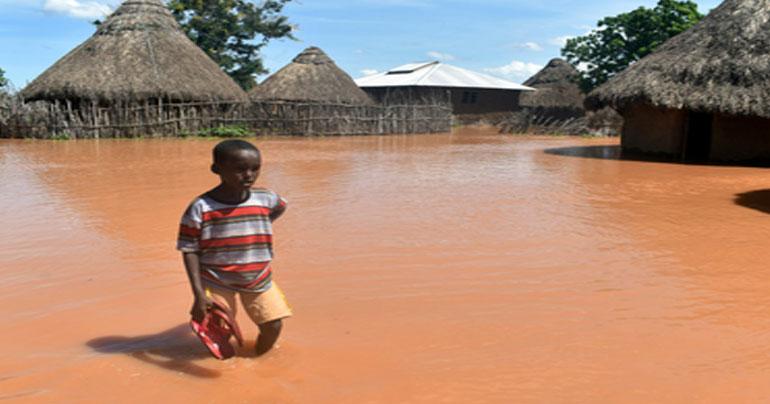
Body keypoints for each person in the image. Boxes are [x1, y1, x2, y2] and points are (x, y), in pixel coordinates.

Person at [177, 139, 291, 356]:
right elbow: (189, 249)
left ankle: (259, 361)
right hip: (216, 280)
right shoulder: (201, 207)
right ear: (216, 169)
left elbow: (280, 207)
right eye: (239, 169)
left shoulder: (266, 198)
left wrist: (260, 223)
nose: (249, 175)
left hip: (257, 277)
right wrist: (198, 295)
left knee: (273, 325)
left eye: (255, 168)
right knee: (220, 333)